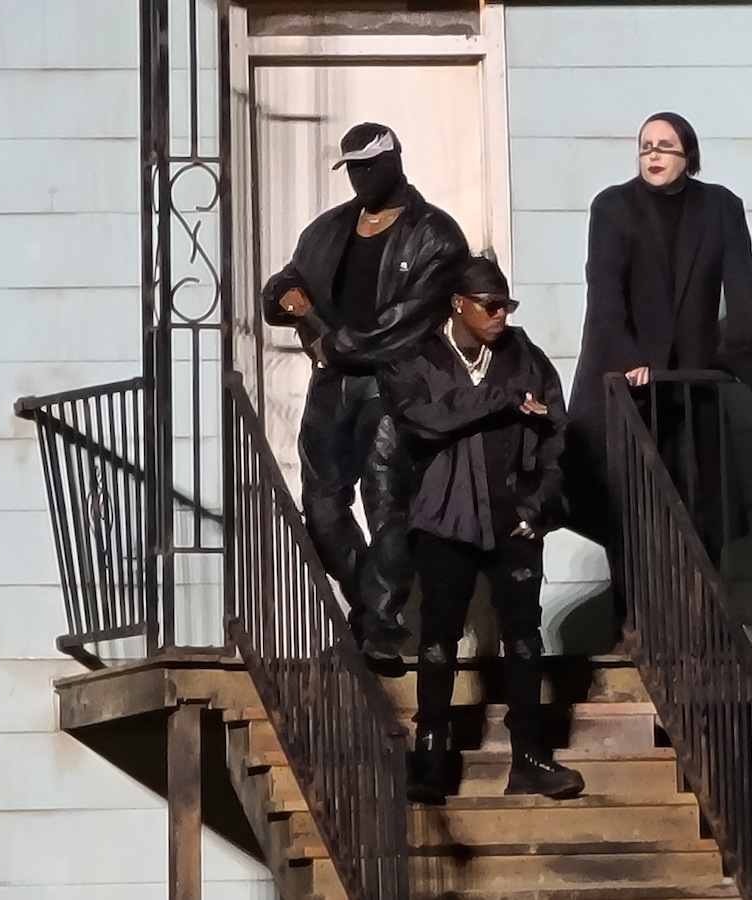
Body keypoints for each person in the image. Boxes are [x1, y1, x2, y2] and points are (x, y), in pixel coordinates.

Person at [381, 256, 585, 803]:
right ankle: (430, 759)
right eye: (490, 306)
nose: (500, 315)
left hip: (513, 520)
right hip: (443, 520)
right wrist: (503, 401)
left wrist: (538, 508)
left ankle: (530, 758)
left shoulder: (525, 356)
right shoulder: (418, 356)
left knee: (523, 637)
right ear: (458, 305)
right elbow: (423, 419)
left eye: (506, 305)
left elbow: (558, 434)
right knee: (438, 640)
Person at [262, 122, 469, 658]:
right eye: (353, 167)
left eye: (370, 165)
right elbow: (283, 284)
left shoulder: (436, 235)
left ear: (395, 160)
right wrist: (286, 297)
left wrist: (332, 342)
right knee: (321, 507)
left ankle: (381, 623)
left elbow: (405, 321)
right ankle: (368, 609)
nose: (360, 177)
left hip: (395, 381)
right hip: (332, 384)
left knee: (386, 499)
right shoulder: (328, 229)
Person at [565, 112, 752, 604]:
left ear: (688, 155)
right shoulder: (613, 207)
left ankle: (702, 622)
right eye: (645, 146)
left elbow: (742, 285)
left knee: (703, 512)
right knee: (628, 514)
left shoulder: (720, 207)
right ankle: (633, 621)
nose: (653, 154)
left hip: (692, 384)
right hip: (630, 390)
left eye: (664, 145)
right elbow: (605, 296)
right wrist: (629, 359)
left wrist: (743, 356)